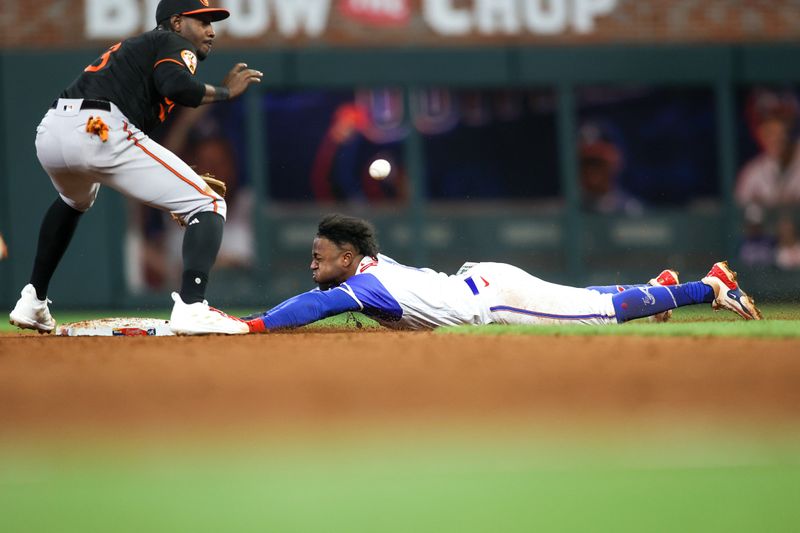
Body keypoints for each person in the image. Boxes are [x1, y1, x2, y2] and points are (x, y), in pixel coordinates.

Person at [8, 0, 262, 335]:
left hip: (53, 131)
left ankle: (32, 301)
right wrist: (226, 91)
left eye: (212, 22)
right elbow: (178, 87)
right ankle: (192, 307)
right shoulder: (174, 43)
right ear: (175, 22)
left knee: (74, 201)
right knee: (208, 203)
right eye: (201, 21)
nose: (211, 31)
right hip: (97, 127)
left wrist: (171, 185)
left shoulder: (142, 47)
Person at [242, 214, 762, 333]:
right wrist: (253, 318)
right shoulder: (373, 269)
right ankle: (659, 291)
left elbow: (312, 307)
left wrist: (255, 326)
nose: (312, 263)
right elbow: (305, 299)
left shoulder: (363, 285)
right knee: (577, 296)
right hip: (484, 281)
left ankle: (710, 285)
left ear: (350, 258)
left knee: (596, 315)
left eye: (320, 254)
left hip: (492, 298)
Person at [735, 89, 800, 207]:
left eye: (782, 126)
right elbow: (741, 221)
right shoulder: (752, 174)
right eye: (769, 131)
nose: (776, 137)